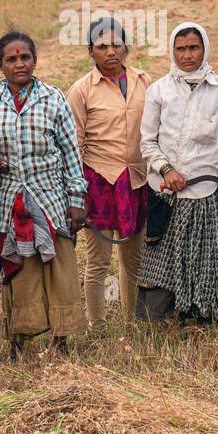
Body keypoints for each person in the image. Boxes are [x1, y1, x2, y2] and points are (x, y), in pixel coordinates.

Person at [0, 32, 87, 360]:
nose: (19, 63)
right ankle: (18, 344)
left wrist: (77, 199)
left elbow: (69, 153)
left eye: (25, 57)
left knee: (60, 272)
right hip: (10, 205)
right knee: (19, 272)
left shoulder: (53, 99)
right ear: (0, 64)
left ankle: (61, 343)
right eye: (12, 59)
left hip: (52, 202)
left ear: (35, 60)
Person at [137, 22, 218, 321]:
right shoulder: (158, 90)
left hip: (208, 191)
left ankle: (204, 315)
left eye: (194, 48)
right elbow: (147, 142)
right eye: (181, 49)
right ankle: (169, 316)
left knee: (206, 257)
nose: (187, 55)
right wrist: (166, 169)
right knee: (167, 257)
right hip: (168, 191)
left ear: (205, 49)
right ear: (173, 51)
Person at [65, 17, 152, 324]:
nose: (110, 51)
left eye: (116, 44)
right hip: (98, 182)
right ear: (91, 51)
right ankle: (97, 325)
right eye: (102, 46)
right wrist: (75, 193)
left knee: (134, 258)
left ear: (126, 47)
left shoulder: (144, 81)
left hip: (137, 180)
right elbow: (73, 143)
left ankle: (132, 321)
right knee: (98, 260)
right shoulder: (81, 90)